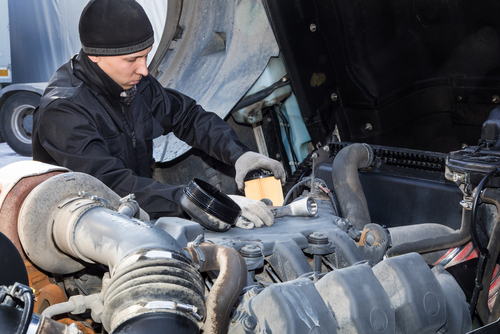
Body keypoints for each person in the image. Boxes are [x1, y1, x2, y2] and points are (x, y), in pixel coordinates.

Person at [32, 0, 285, 229]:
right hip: (89, 234)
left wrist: (240, 155)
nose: (143, 69)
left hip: (136, 215)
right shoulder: (64, 111)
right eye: (132, 59)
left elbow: (187, 117)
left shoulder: (134, 83)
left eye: (146, 55)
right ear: (96, 55)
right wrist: (204, 203)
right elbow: (110, 185)